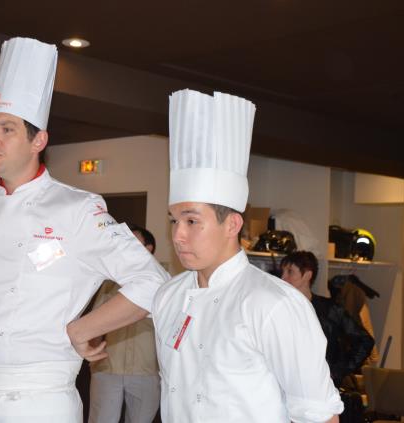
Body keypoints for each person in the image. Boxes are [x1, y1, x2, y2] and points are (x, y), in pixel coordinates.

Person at [0, 37, 169, 423]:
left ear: (38, 140)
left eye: (7, 129)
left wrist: (81, 328)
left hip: (38, 397)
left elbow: (152, 283)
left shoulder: (77, 208)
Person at [152, 89, 344, 422]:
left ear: (233, 224)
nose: (178, 234)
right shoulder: (168, 297)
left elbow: (319, 414)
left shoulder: (274, 304)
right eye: (174, 220)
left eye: (192, 220)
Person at [88, 224, 161, 423]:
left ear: (149, 248)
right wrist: (93, 360)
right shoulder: (110, 281)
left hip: (146, 371)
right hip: (108, 368)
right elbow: (95, 321)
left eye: (133, 242)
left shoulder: (164, 281)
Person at [280, 251, 374, 387]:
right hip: (287, 387)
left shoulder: (330, 310)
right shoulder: (278, 310)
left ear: (307, 275)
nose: (283, 278)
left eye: (289, 272)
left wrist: (337, 371)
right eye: (282, 272)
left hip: (323, 390)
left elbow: (365, 341)